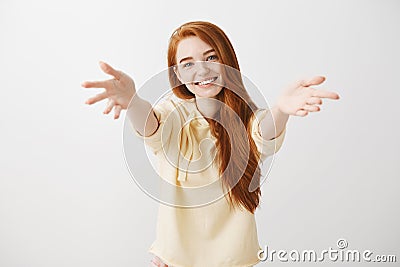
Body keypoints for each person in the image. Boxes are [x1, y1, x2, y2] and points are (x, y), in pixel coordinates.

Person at [82, 21, 340, 267]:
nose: (202, 70)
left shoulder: (245, 118)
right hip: (176, 259)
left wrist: (281, 109)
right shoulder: (174, 113)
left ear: (227, 60)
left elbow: (263, 132)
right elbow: (153, 127)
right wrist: (133, 101)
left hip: (234, 260)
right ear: (177, 74)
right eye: (187, 64)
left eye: (211, 58)